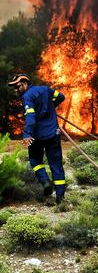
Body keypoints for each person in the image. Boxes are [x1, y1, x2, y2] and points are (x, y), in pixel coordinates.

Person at [7, 74, 66, 203]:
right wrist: (52, 106)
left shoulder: (27, 96)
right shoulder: (45, 89)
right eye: (14, 88)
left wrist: (27, 134)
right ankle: (60, 197)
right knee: (56, 164)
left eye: (17, 87)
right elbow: (61, 96)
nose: (16, 90)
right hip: (53, 134)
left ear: (25, 83)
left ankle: (45, 182)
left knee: (34, 160)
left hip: (37, 136)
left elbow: (31, 117)